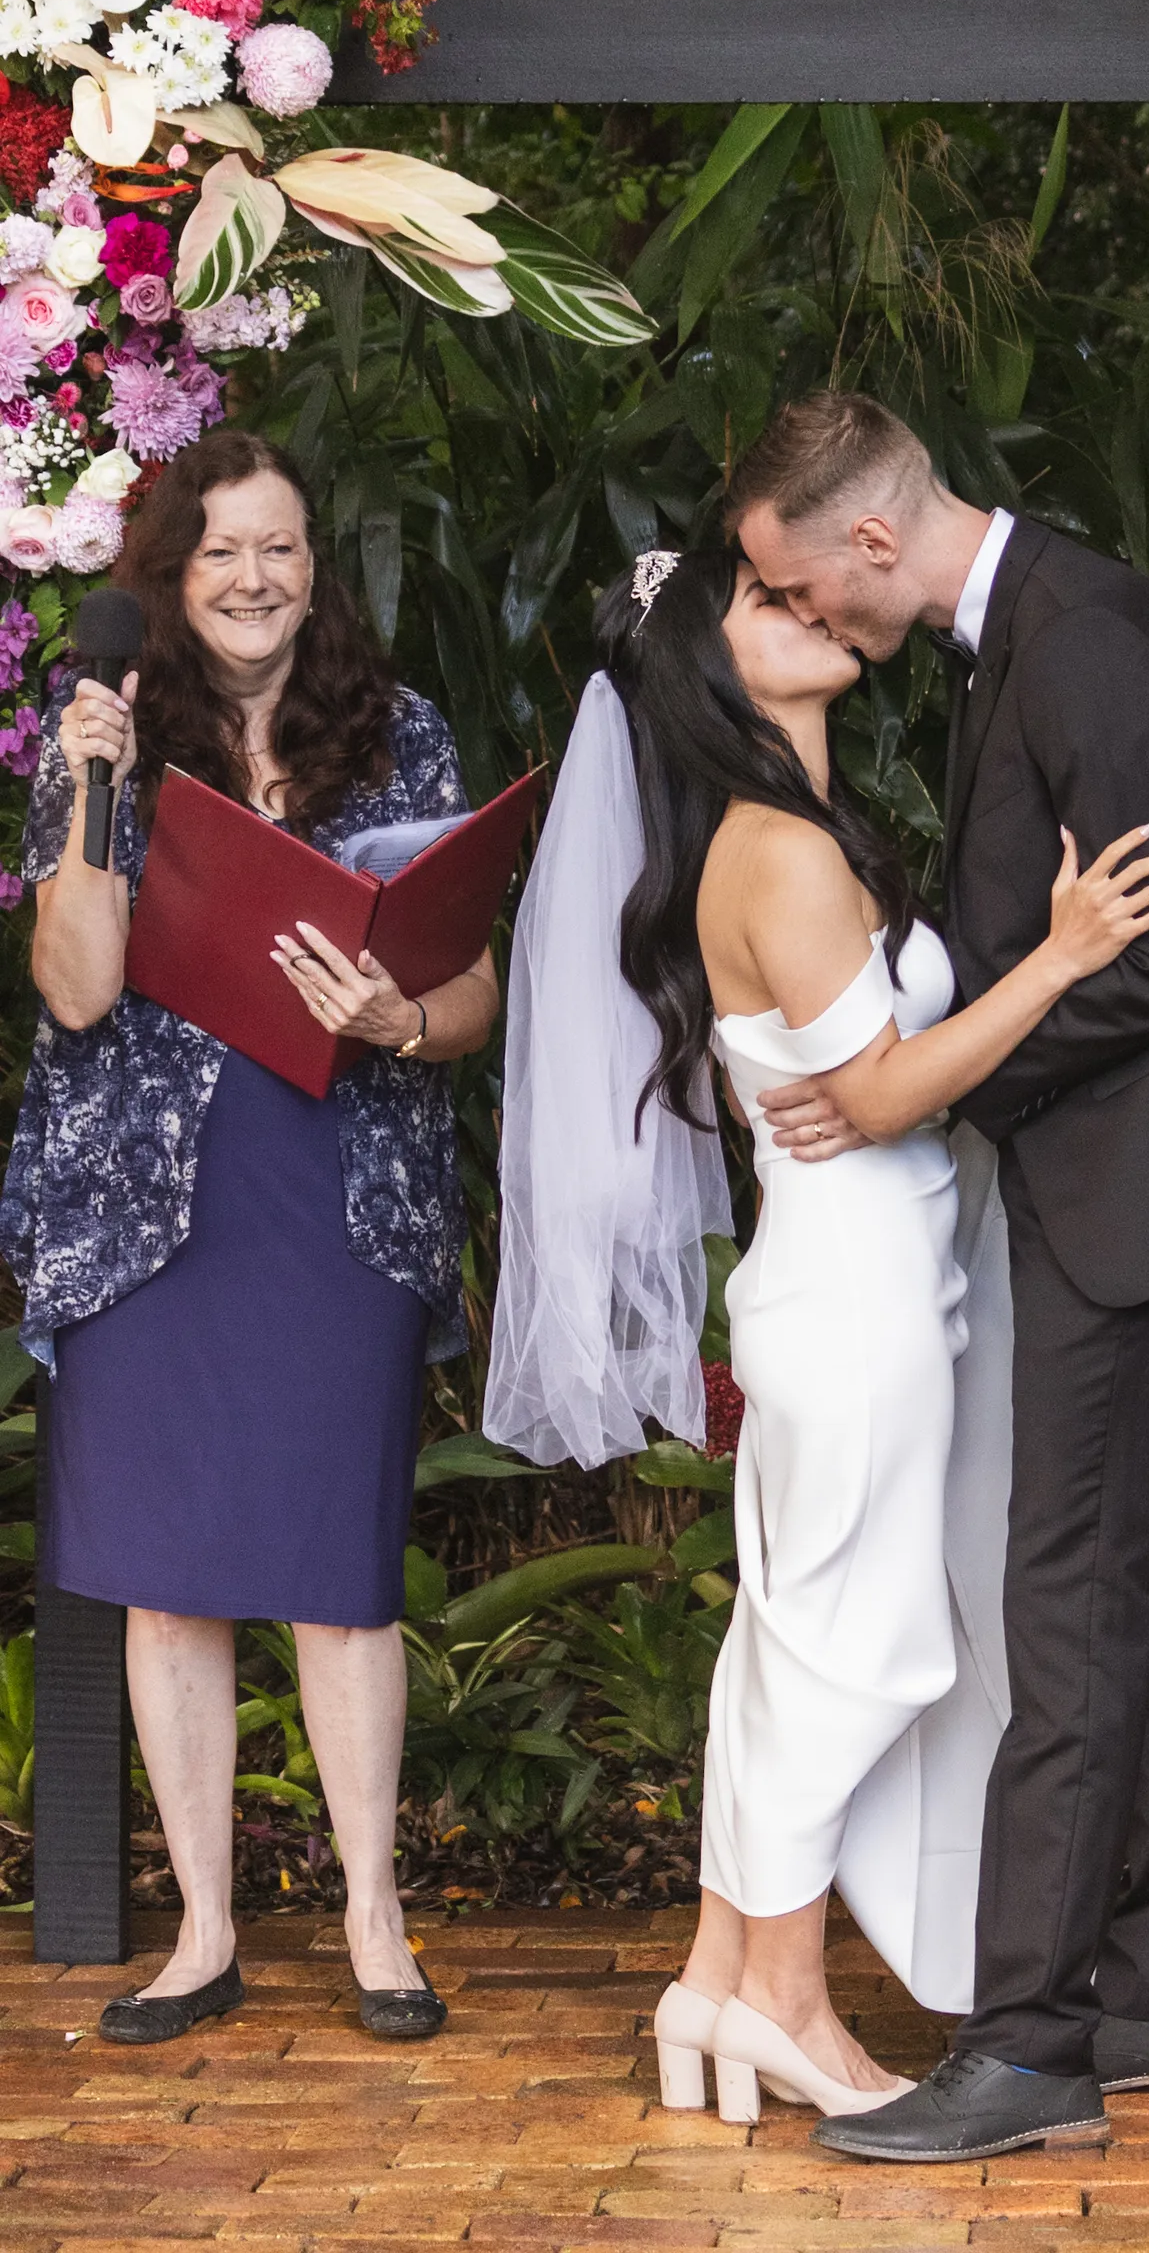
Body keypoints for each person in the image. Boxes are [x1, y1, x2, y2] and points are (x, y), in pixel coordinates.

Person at [727, 392, 1149, 2162]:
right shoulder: (1020, 627)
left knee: (1071, 1603)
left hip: (1140, 1179)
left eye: (802, 587)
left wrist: (906, 1103)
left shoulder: (1078, 637)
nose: (809, 621)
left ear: (871, 538)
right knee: (1144, 1585)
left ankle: (1025, 2044)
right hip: (1125, 1173)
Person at [485, 543, 1149, 2125]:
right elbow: (871, 1099)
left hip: (864, 1286)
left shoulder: (798, 833)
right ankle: (786, 2005)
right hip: (852, 1302)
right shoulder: (775, 857)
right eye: (766, 604)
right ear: (708, 673)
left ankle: (720, 1982)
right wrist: (1067, 957)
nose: (809, 608)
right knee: (849, 1658)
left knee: (792, 1651)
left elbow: (865, 1083)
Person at [0, 428, 499, 2046]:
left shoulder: (399, 733)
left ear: (314, 565)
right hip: (149, 1206)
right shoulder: (98, 746)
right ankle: (204, 1930)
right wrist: (94, 785)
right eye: (218, 551)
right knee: (171, 1587)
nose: (251, 578)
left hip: (340, 1185)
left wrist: (400, 1015)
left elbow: (472, 983)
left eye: (278, 547)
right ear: (168, 570)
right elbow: (75, 987)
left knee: (343, 1578)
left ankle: (371, 1919)